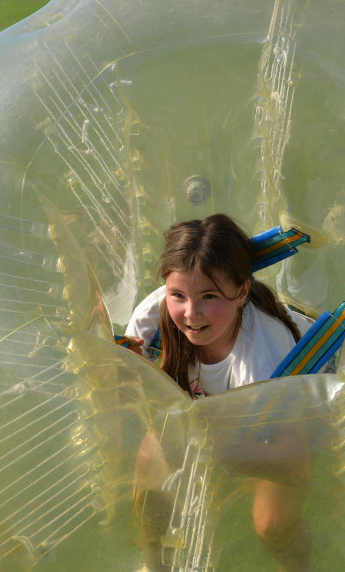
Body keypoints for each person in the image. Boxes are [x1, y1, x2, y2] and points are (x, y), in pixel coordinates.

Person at [126, 214, 317, 572]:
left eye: (209, 296)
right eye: (177, 295)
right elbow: (150, 406)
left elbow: (295, 465)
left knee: (271, 523)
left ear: (242, 291)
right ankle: (152, 564)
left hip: (284, 410)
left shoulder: (265, 360)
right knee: (152, 475)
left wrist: (213, 449)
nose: (191, 314)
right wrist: (138, 374)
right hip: (218, 416)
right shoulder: (152, 323)